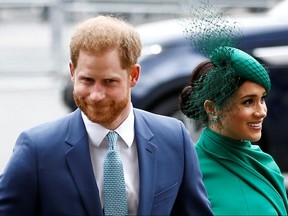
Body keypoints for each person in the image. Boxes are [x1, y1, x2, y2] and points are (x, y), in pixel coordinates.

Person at [0, 15, 212, 215]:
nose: (96, 95)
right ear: (72, 72)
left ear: (134, 75)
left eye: (109, 82)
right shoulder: (37, 149)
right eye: (87, 80)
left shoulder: (174, 138)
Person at [179, 46, 288, 215]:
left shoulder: (265, 162)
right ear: (211, 108)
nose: (261, 112)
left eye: (262, 99)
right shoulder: (191, 173)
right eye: (248, 102)